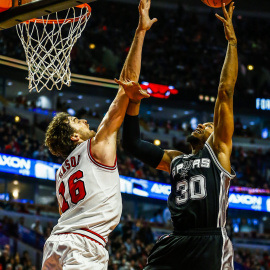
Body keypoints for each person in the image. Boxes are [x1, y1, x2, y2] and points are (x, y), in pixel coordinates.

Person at [117, 3, 238, 269]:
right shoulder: (175, 160)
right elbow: (132, 143)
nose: (201, 125)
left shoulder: (218, 152)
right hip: (175, 240)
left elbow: (225, 92)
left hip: (209, 240)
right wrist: (134, 104)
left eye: (208, 125)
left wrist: (232, 43)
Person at [41, 0, 156, 269]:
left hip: (56, 243)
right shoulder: (95, 146)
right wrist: (140, 32)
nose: (82, 120)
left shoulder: (62, 172)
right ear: (74, 138)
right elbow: (125, 89)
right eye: (75, 122)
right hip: (83, 244)